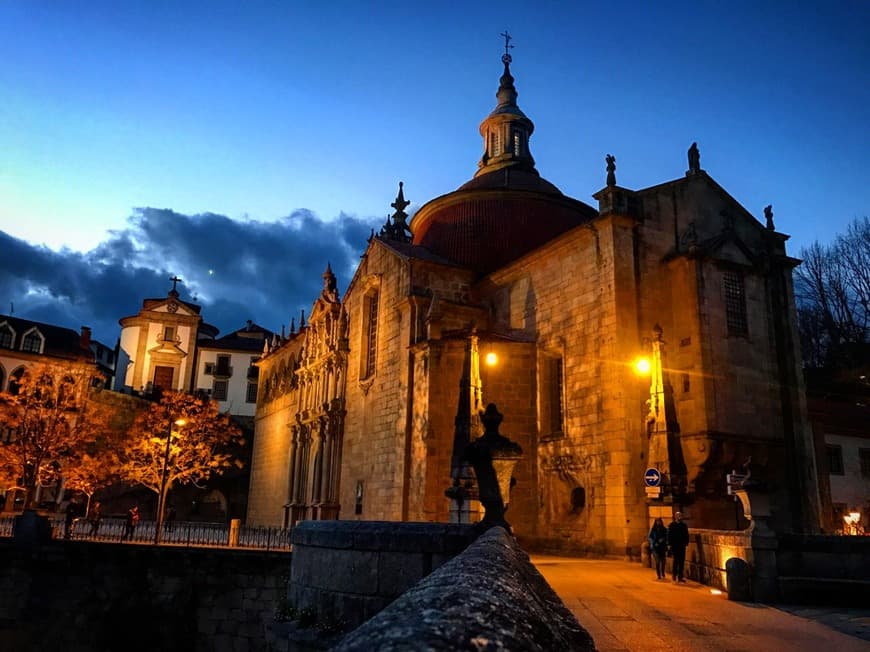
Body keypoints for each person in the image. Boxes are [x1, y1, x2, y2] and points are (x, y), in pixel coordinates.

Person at [668, 511, 690, 582]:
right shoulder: (672, 525)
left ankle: (680, 576)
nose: (680, 517)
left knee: (681, 561)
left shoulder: (683, 525)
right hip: (675, 545)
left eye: (680, 515)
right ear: (675, 516)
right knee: (676, 560)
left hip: (682, 545)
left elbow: (686, 534)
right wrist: (669, 544)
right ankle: (674, 575)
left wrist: (686, 542)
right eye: (678, 515)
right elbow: (669, 535)